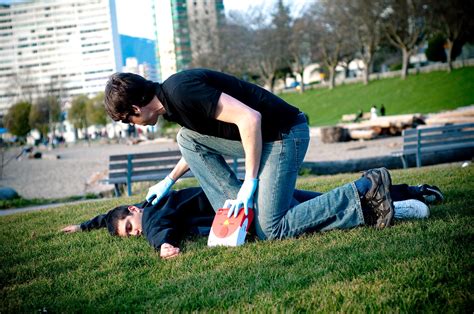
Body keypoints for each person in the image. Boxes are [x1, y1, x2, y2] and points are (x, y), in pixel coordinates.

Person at [104, 69, 394, 241]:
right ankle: (244, 214)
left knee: (272, 228)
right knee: (186, 139)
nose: (135, 127)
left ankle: (365, 189)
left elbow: (250, 119)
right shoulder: (172, 106)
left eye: (129, 121)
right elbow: (196, 146)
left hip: (284, 135)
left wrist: (250, 181)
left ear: (136, 109)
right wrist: (169, 180)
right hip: (266, 138)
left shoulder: (181, 92)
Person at [61, 184, 444, 259]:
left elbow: (158, 228)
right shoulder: (147, 207)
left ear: (134, 211)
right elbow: (109, 217)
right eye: (131, 236)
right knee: (322, 204)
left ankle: (399, 197)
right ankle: (412, 194)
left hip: (253, 209)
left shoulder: (155, 211)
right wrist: (85, 225)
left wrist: (161, 244)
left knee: (319, 212)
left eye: (131, 226)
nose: (136, 232)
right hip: (251, 206)